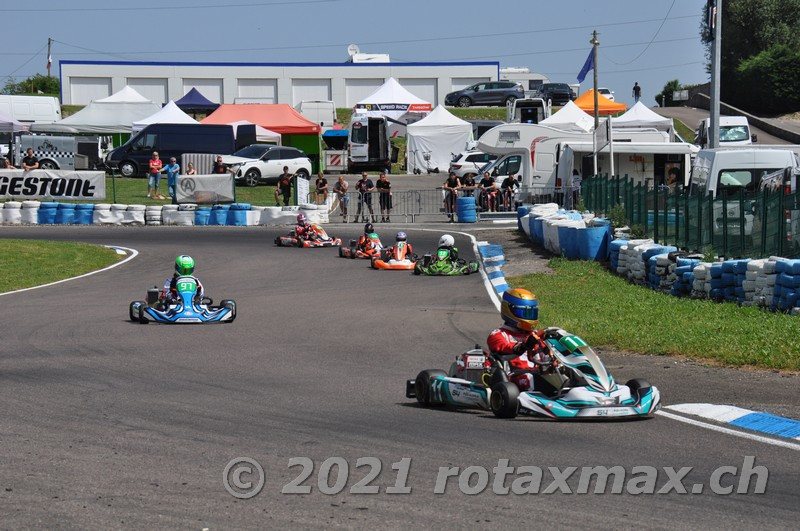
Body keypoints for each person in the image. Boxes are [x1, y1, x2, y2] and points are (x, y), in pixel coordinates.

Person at [487, 288, 555, 393]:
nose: (529, 317)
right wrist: (524, 345)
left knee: (568, 373)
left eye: (532, 313)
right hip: (515, 377)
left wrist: (553, 354)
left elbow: (545, 357)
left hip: (538, 373)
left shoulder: (535, 335)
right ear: (509, 310)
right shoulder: (498, 334)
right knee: (530, 379)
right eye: (524, 313)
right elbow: (505, 348)